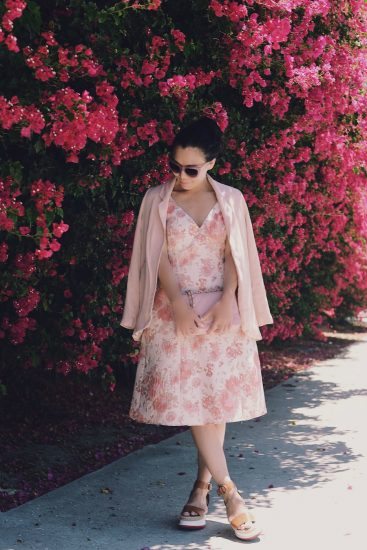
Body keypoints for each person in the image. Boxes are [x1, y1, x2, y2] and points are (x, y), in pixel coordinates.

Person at [120, 116, 274, 541]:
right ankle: (230, 492)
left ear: (212, 163)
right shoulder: (157, 199)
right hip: (174, 314)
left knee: (215, 403)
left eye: (191, 169)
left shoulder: (232, 200)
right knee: (194, 404)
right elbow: (158, 257)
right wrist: (176, 305)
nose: (180, 176)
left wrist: (228, 299)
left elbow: (235, 255)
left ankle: (201, 488)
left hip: (222, 312)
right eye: (174, 166)